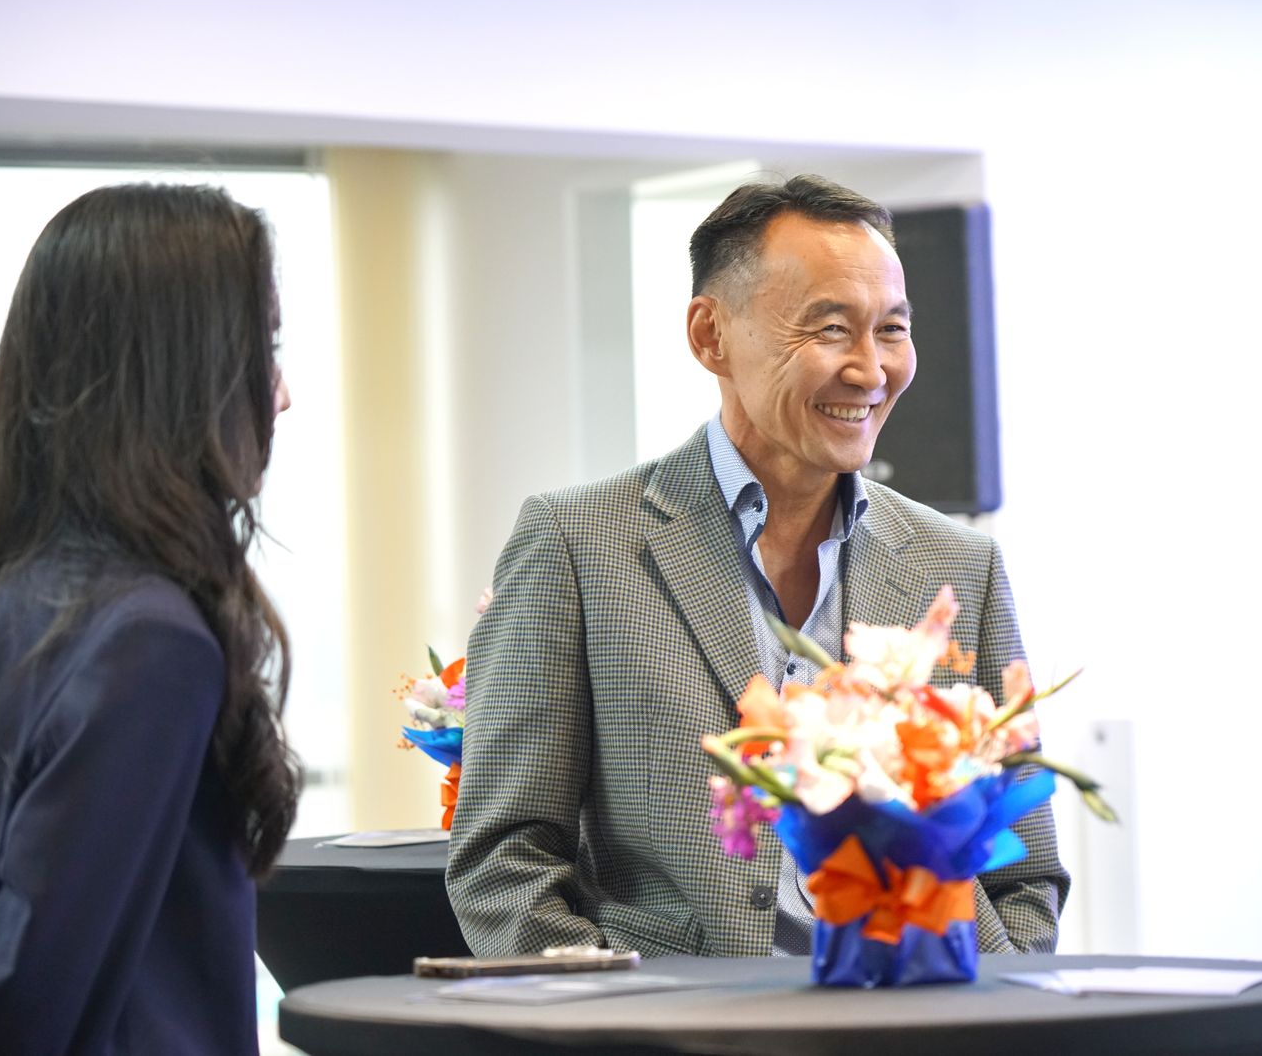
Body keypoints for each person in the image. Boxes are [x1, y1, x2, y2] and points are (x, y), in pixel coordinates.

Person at [446, 174, 1068, 959]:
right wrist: (613, 1013)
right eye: (832, 328)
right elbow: (503, 859)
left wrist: (992, 994)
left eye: (892, 329)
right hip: (674, 1017)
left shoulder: (959, 564)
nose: (871, 369)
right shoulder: (579, 544)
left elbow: (1025, 871)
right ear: (711, 335)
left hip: (924, 1004)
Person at [0, 183, 300, 1054]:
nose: (281, 394)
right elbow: (23, 1010)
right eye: (263, 348)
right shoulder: (151, 642)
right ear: (181, 371)